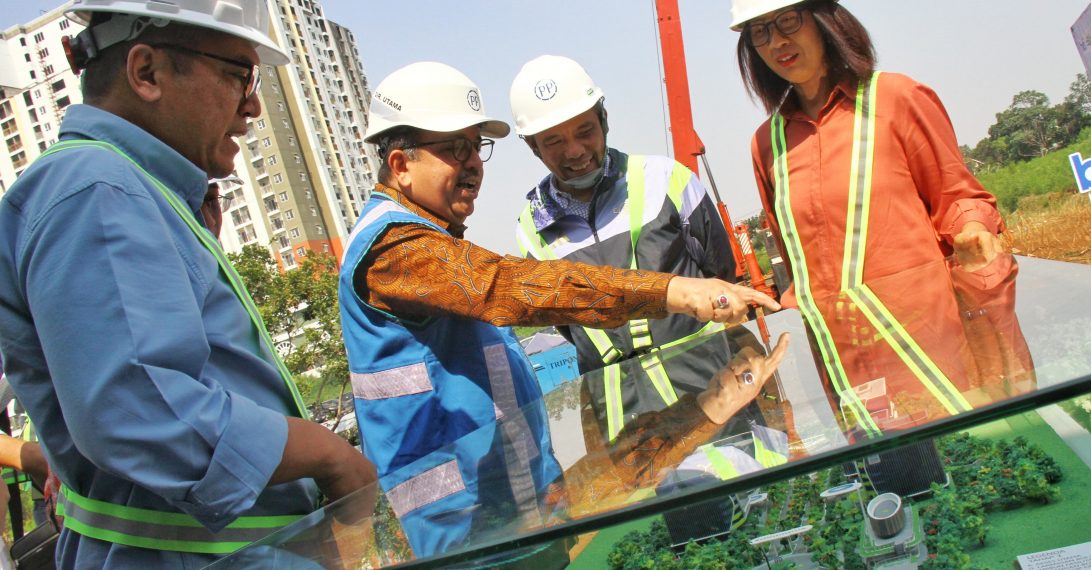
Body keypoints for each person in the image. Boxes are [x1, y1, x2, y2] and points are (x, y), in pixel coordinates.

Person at [339, 61, 790, 560]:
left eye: (476, 147)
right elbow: (509, 286)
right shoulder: (393, 248)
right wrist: (675, 291)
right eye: (454, 150)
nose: (472, 165)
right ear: (400, 164)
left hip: (513, 510)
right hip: (460, 529)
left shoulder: (439, 244)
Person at [0, 0, 376, 566]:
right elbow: (135, 407)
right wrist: (323, 452)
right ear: (146, 72)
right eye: (237, 74)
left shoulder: (135, 189)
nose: (252, 104)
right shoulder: (97, 189)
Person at [731, 0, 1034, 438]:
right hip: (844, 358)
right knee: (890, 479)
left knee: (979, 457)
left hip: (928, 342)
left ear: (824, 20)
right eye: (759, 32)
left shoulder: (895, 98)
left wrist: (972, 227)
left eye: (788, 21)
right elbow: (795, 257)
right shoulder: (767, 143)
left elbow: (958, 196)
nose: (777, 42)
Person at [509, 56, 783, 460]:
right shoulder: (531, 234)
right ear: (533, 147)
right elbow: (569, 326)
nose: (575, 151)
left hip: (718, 397)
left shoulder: (665, 181)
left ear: (604, 118)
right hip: (631, 436)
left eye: (585, 131)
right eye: (553, 141)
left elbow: (719, 273)